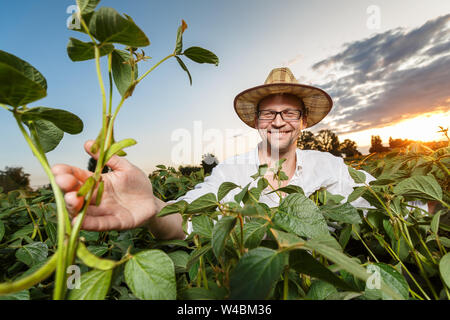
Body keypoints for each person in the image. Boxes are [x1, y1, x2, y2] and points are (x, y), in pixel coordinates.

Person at [50, 67, 425, 240]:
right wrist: (152, 208)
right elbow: (182, 222)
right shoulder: (229, 172)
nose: (278, 120)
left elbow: (396, 210)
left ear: (304, 121)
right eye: (268, 112)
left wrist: (433, 209)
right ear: (256, 122)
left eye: (289, 111)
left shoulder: (333, 168)